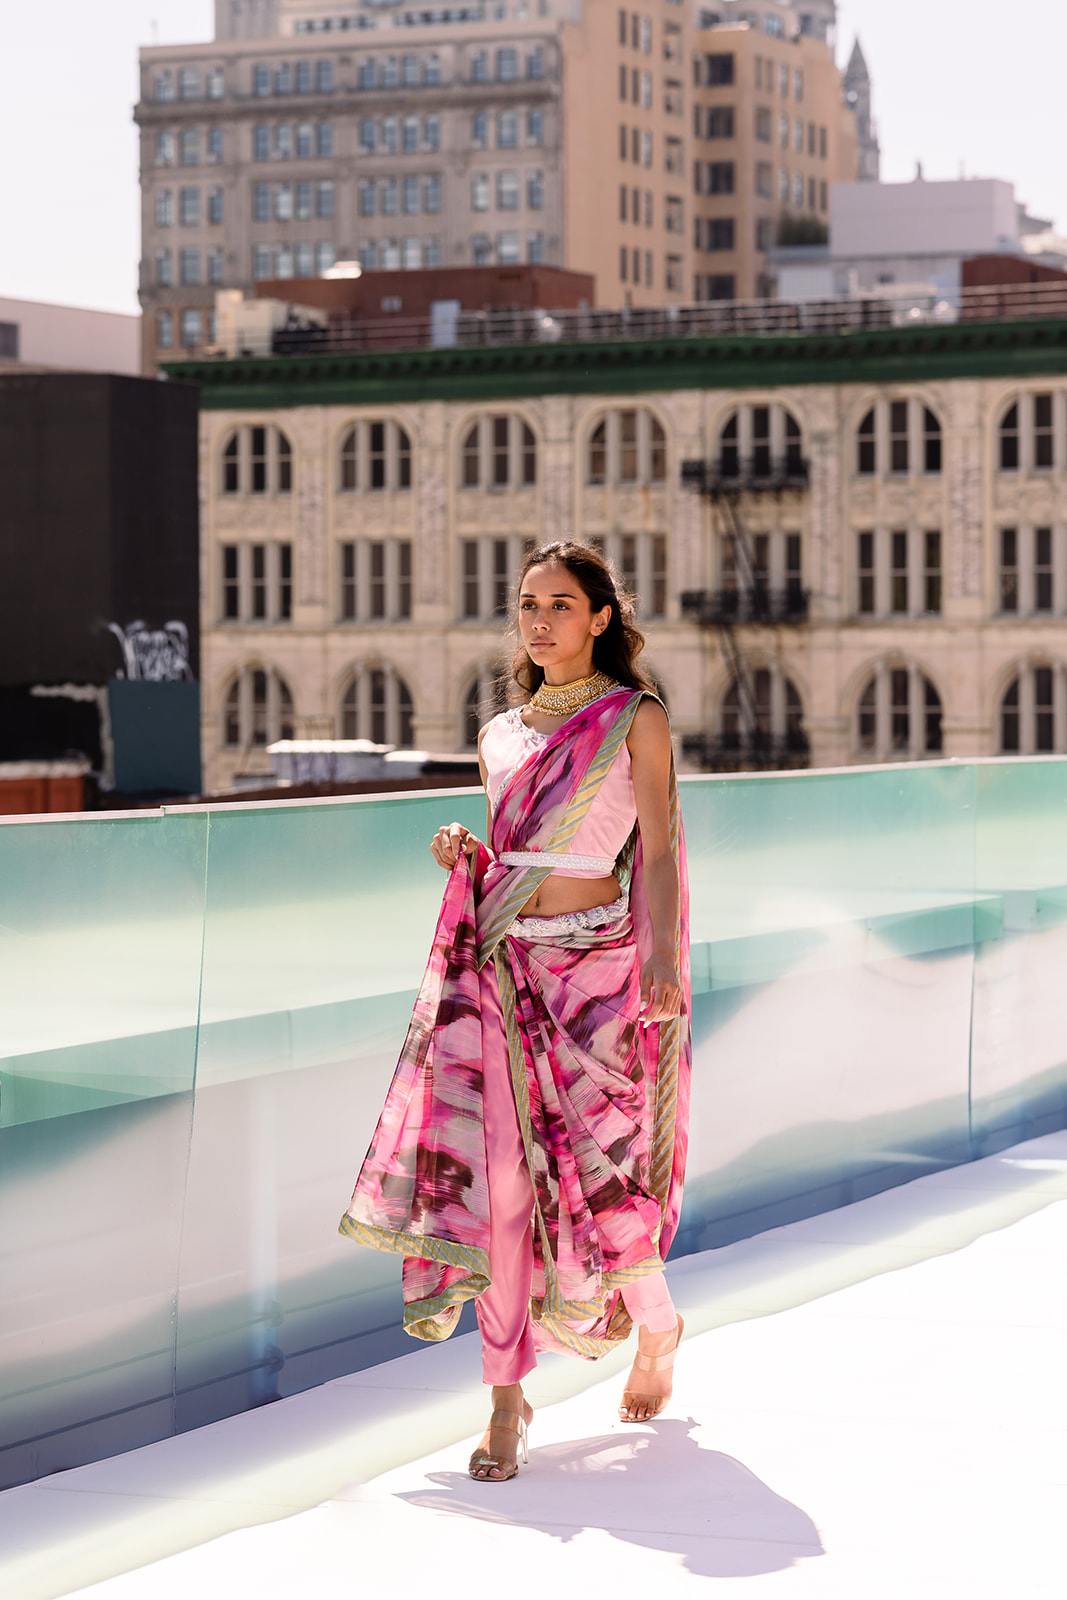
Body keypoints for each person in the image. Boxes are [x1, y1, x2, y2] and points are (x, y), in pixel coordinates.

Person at [340, 541, 691, 1483]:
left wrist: (660, 952)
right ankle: (506, 1396)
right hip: (501, 968)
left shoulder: (634, 718)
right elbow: (513, 847)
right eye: (527, 606)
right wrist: (465, 847)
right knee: (495, 1190)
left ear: (600, 619)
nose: (539, 623)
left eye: (561, 606)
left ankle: (656, 1328)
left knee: (605, 1184)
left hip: (599, 976)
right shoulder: (499, 732)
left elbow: (653, 851)